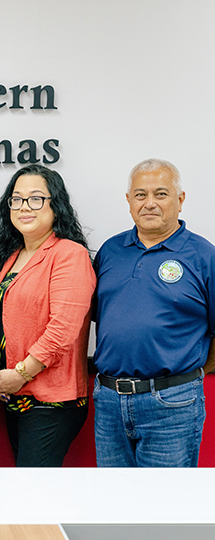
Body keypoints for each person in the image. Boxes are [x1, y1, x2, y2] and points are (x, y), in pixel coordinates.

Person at [92, 158, 215, 467]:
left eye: (161, 194)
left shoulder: (203, 256)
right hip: (108, 402)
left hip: (172, 404)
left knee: (165, 508)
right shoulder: (110, 251)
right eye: (140, 195)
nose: (149, 203)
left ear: (180, 200)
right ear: (129, 201)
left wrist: (189, 374)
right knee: (113, 506)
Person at [0, 164, 94, 467]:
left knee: (33, 496)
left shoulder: (70, 254)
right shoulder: (11, 256)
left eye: (35, 199)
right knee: (27, 491)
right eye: (16, 199)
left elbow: (63, 329)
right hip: (14, 397)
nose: (23, 207)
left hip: (52, 400)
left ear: (55, 206)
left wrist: (21, 374)